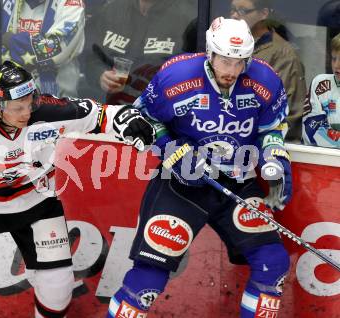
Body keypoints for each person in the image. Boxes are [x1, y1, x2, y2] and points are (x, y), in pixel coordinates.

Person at [0, 61, 155, 318]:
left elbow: (101, 115)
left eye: (30, 102)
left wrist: (127, 120)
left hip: (35, 202)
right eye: (18, 107)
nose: (27, 112)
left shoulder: (49, 111)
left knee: (58, 285)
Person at [107, 17, 292, 318]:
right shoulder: (176, 75)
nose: (232, 71)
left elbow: (272, 127)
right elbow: (140, 120)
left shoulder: (265, 79)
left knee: (273, 261)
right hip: (181, 183)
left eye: (239, 62)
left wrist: (275, 158)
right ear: (210, 52)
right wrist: (172, 150)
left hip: (236, 180)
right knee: (149, 277)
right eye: (225, 61)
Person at [80, 0, 197, 104]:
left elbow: (193, 73)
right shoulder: (112, 11)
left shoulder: (189, 18)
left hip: (159, 112)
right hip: (109, 109)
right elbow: (90, 55)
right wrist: (100, 75)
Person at [230, 0, 306, 143]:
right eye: (232, 9)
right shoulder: (228, 45)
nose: (234, 15)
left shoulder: (283, 56)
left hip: (263, 148)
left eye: (241, 11)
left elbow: (289, 115)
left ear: (263, 13)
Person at [0, 0, 85, 97]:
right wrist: (32, 47)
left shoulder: (72, 3)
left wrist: (7, 41)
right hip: (4, 100)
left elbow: (57, 48)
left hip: (58, 100)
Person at [302, 33, 340, 148]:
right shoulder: (320, 84)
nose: (337, 65)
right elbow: (311, 131)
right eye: (334, 58)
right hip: (323, 161)